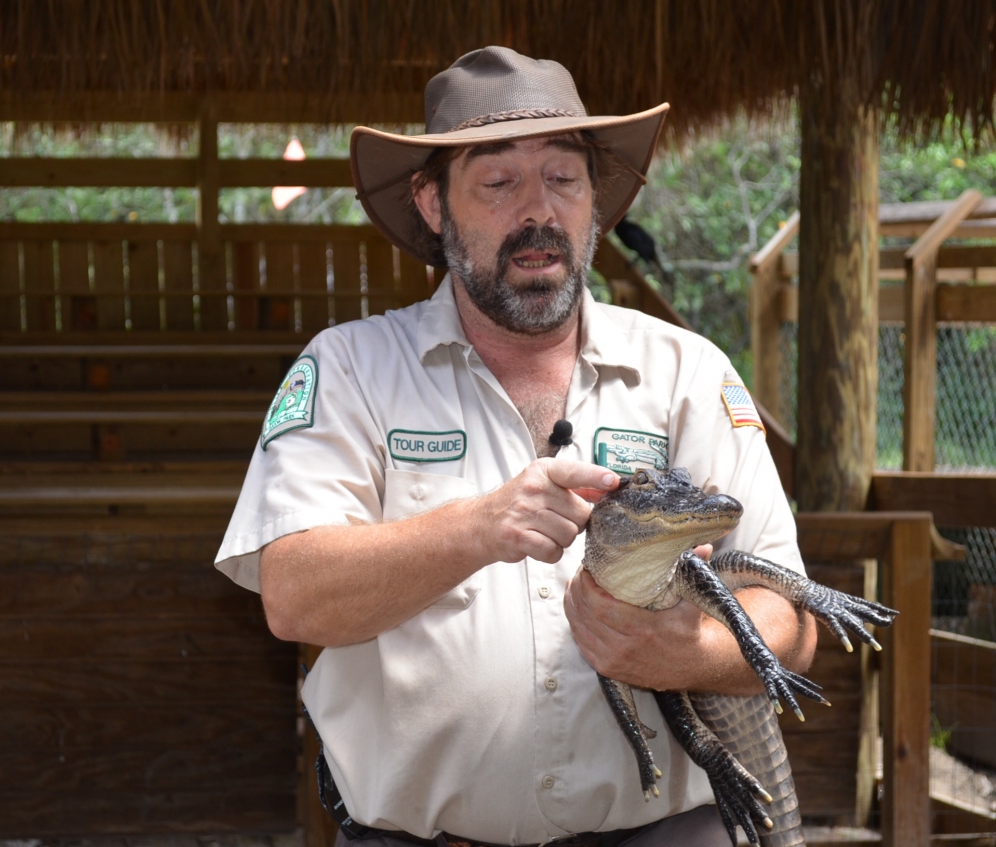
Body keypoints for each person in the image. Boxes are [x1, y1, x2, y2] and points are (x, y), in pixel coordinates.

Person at [216, 46, 815, 847]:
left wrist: (689, 652)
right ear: (432, 203)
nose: (539, 210)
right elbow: (292, 595)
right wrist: (478, 527)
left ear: (594, 199)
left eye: (564, 178)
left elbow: (793, 624)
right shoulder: (350, 369)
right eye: (499, 182)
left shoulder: (689, 373)